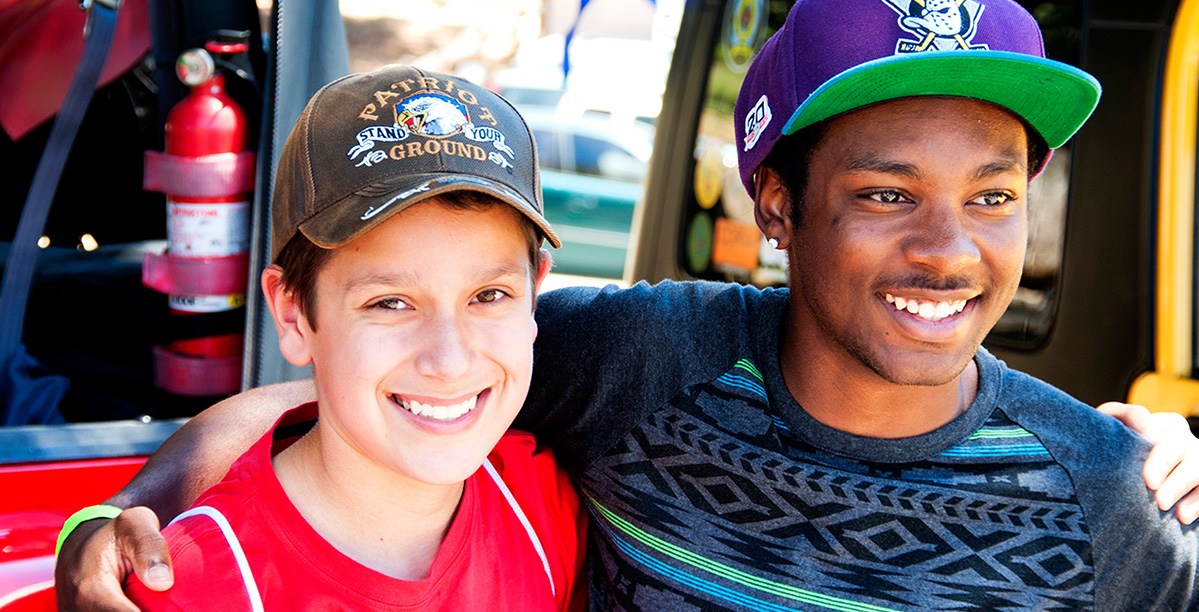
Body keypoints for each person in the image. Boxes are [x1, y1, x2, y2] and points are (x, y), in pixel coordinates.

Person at [54, 0, 1199, 610]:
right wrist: (116, 523)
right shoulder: (643, 361)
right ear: (776, 203)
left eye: (991, 196)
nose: (947, 250)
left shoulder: (1109, 495)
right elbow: (352, 393)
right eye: (885, 193)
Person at [120, 64, 586, 611]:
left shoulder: (545, 508)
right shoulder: (199, 587)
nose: (450, 361)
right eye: (390, 303)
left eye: (488, 295)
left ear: (534, 295)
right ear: (293, 315)